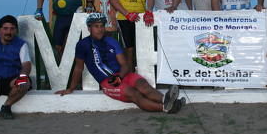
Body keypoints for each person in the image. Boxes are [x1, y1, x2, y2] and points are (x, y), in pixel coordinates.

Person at [56, 13, 184, 113]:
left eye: (102, 26)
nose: (100, 29)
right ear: (89, 28)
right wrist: (71, 88)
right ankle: (166, 108)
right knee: (135, 95)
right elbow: (78, 68)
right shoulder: (82, 45)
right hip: (107, 81)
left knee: (143, 85)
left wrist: (120, 77)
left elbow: (125, 64)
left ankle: (165, 99)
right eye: (96, 26)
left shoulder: (111, 41)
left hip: (122, 75)